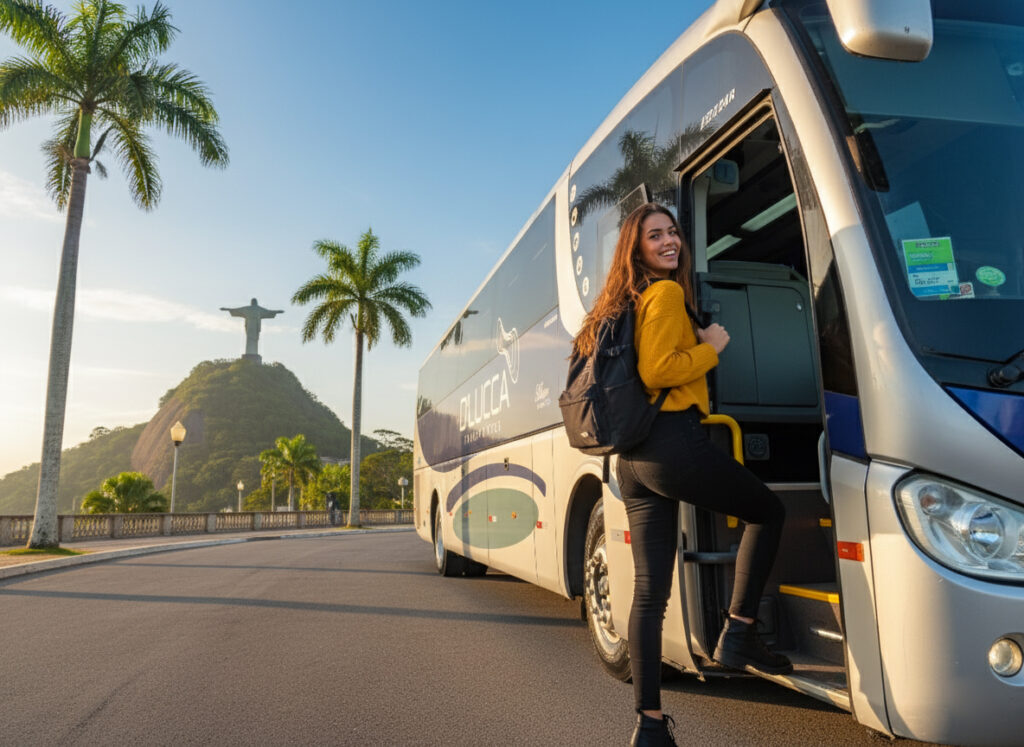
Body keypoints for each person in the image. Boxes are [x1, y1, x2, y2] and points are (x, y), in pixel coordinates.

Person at [570, 202, 790, 746]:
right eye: (655, 236)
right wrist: (711, 348)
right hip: (672, 443)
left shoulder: (619, 303)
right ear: (636, 247)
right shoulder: (665, 295)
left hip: (633, 460)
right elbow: (658, 370)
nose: (669, 242)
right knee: (768, 510)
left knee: (648, 594)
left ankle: (648, 725)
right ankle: (739, 631)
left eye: (672, 233)